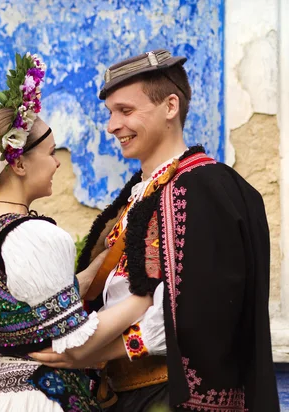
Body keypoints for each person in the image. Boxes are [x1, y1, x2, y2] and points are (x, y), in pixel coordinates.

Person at [30, 49, 280, 411]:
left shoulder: (202, 188)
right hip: (126, 393)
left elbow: (190, 313)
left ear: (170, 106)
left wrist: (89, 352)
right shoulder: (146, 190)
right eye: (111, 113)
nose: (112, 125)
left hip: (166, 395)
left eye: (126, 111)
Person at [0, 53, 153, 412]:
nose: (57, 162)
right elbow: (77, 341)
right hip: (41, 397)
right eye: (50, 152)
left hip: (0, 395)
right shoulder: (34, 235)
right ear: (17, 163)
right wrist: (146, 298)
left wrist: (103, 263)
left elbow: (37, 304)